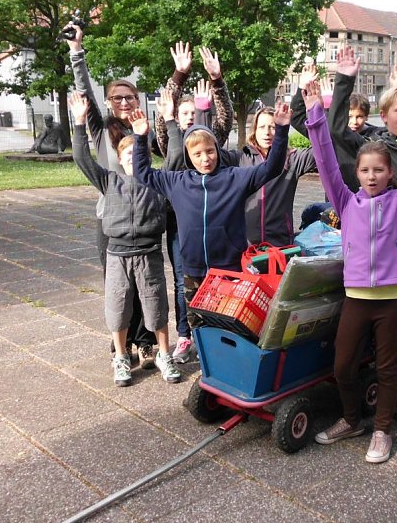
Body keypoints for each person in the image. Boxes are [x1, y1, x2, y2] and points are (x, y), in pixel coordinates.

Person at [307, 77, 397, 464]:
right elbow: (327, 161)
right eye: (365, 170)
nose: (373, 176)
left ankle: (381, 430)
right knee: (343, 366)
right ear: (358, 174)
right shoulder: (346, 202)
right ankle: (351, 420)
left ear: (390, 174)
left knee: (388, 369)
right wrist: (315, 113)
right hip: (357, 300)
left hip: (393, 301)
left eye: (380, 169)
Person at [130, 100, 291, 338]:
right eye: (197, 154)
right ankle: (204, 361)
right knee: (199, 327)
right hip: (193, 270)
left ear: (217, 150)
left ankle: (226, 367)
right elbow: (142, 172)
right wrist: (141, 137)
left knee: (228, 325)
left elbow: (272, 168)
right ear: (188, 156)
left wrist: (282, 130)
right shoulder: (177, 182)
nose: (205, 158)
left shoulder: (235, 178)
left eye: (210, 151)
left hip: (228, 270)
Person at [68, 92, 181, 387]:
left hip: (149, 254)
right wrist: (79, 123)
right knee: (117, 308)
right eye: (126, 154)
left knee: (156, 307)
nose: (132, 158)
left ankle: (164, 354)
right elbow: (81, 158)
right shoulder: (109, 181)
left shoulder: (158, 182)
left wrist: (169, 120)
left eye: (137, 153)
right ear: (119, 160)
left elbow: (177, 155)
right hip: (118, 255)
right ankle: (120, 357)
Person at [67, 22, 158, 368]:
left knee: (147, 282)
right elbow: (85, 95)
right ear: (108, 102)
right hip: (111, 218)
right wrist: (77, 52)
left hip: (144, 219)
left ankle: (146, 340)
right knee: (118, 285)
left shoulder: (142, 129)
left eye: (130, 97)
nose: (123, 102)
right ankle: (122, 344)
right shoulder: (100, 129)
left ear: (137, 100)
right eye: (117, 98)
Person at [154, 42, 234, 364]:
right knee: (182, 278)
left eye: (192, 113)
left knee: (217, 277)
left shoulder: (208, 141)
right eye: (182, 115)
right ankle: (186, 334)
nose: (188, 119)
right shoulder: (172, 141)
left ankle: (215, 331)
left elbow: (224, 117)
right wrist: (179, 75)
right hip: (181, 225)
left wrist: (217, 81)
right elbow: (164, 122)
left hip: (214, 222)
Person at [219, 104, 317, 247]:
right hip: (245, 245)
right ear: (254, 130)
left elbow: (322, 149)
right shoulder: (238, 159)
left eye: (273, 127)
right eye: (262, 127)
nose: (267, 132)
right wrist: (202, 112)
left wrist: (319, 112)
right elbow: (205, 146)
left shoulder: (292, 159)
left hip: (280, 244)